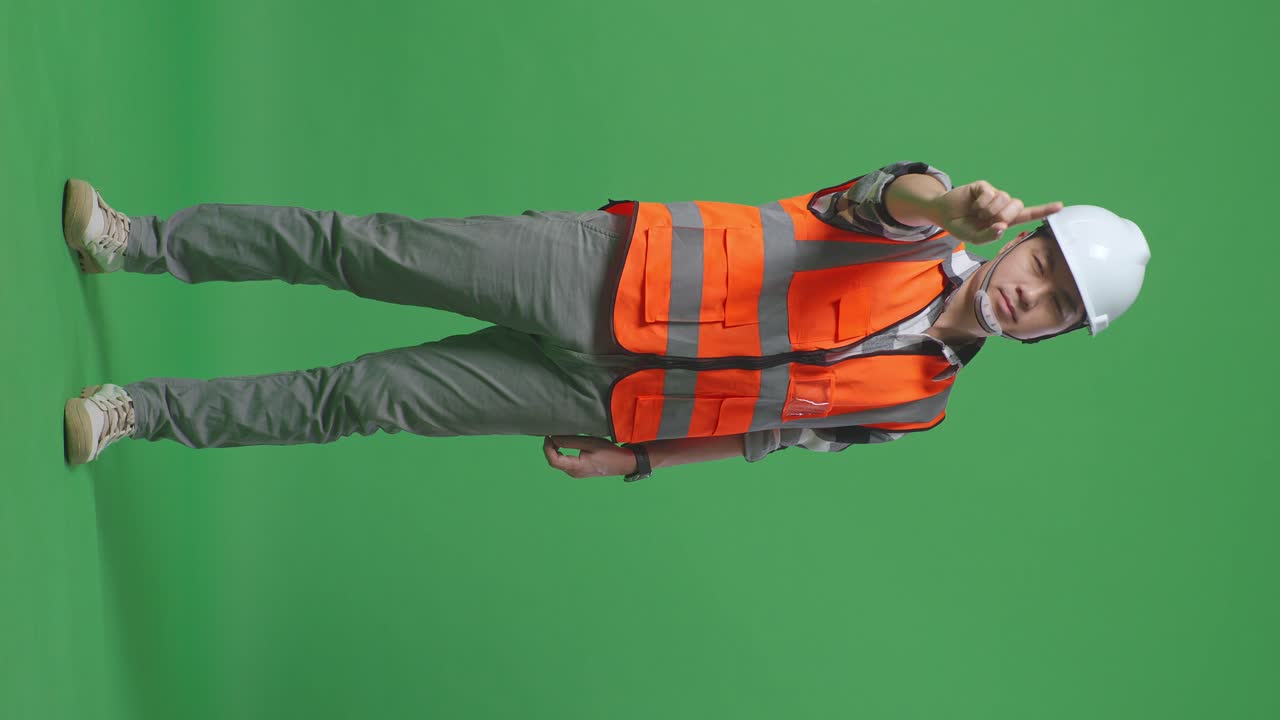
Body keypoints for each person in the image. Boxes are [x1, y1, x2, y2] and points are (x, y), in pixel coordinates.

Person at [61, 162, 1150, 480]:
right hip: (600, 273)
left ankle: (138, 414)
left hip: (613, 399)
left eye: (1056, 305)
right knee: (366, 249)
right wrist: (947, 204)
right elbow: (879, 194)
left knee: (367, 399)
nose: (1031, 294)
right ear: (1018, 238)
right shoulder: (921, 227)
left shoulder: (917, 409)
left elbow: (769, 432)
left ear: (1054, 334)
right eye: (1041, 264)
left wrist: (641, 465)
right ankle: (139, 241)